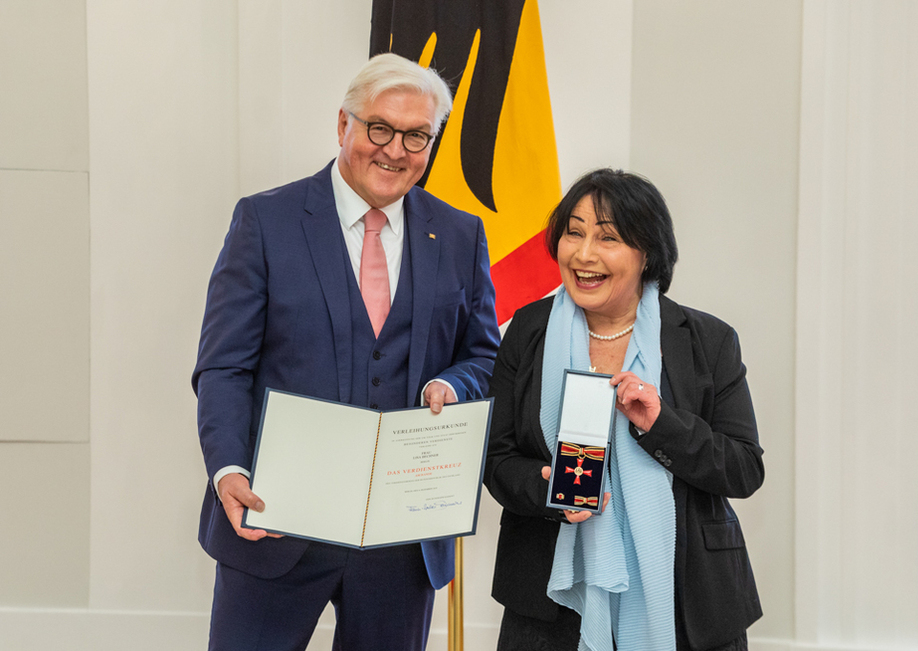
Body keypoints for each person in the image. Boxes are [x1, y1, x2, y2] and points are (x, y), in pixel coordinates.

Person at [192, 53, 500, 651]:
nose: (395, 150)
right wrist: (229, 468)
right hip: (275, 519)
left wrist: (455, 386)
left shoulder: (460, 234)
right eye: (380, 128)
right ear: (343, 126)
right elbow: (224, 365)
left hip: (401, 538)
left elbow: (484, 357)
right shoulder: (265, 220)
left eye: (417, 136)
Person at [484, 169, 763, 651]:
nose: (584, 254)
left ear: (647, 254)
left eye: (608, 237)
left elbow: (743, 469)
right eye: (574, 232)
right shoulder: (528, 331)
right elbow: (497, 459)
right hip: (550, 602)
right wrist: (549, 490)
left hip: (686, 597)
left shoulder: (707, 341)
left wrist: (662, 425)